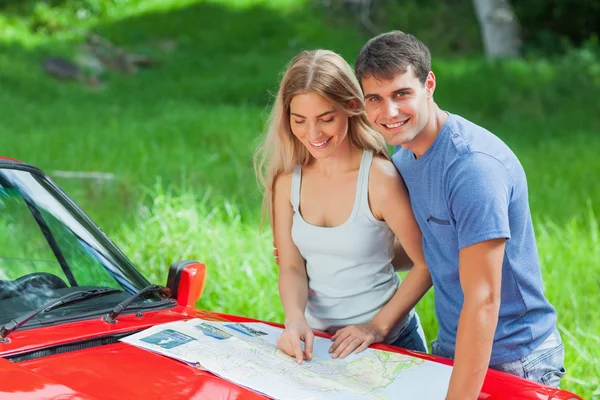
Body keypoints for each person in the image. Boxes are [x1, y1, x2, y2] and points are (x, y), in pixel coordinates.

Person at [342, 30, 564, 398]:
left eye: (401, 94)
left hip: (513, 356)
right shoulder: (406, 160)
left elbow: (484, 299)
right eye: (375, 99)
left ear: (429, 84)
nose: (389, 112)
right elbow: (425, 249)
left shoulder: (472, 169)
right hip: (454, 347)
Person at [254, 49, 432, 364]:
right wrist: (295, 319)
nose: (313, 134)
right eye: (300, 120)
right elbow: (292, 266)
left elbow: (426, 264)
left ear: (352, 108)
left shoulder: (379, 179)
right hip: (320, 347)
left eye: (326, 119)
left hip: (389, 343)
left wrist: (376, 327)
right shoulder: (286, 181)